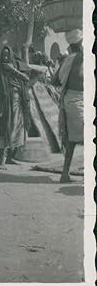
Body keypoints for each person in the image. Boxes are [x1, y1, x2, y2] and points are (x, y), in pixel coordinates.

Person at [0, 46, 31, 170]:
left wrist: (13, 70)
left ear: (11, 55)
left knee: (16, 129)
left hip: (17, 102)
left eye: (8, 54)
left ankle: (10, 157)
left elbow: (27, 78)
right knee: (5, 128)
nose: (6, 57)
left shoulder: (16, 66)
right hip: (4, 103)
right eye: (4, 55)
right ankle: (2, 160)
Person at [51, 29, 83, 183]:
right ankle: (65, 173)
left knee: (72, 138)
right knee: (76, 137)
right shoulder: (76, 58)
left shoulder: (70, 59)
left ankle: (65, 173)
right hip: (75, 100)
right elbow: (55, 80)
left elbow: (55, 81)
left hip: (76, 99)